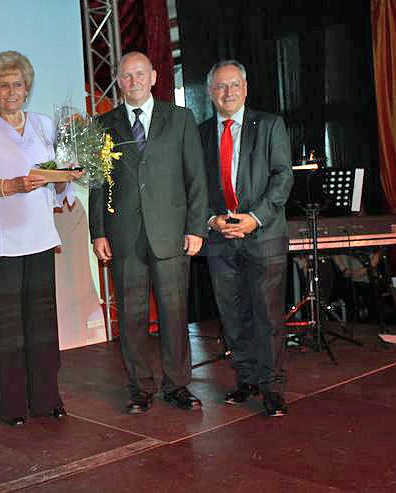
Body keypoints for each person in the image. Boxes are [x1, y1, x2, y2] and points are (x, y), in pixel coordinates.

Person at [0, 51, 83, 426]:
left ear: (28, 89)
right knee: (3, 329)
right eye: (4, 85)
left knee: (42, 325)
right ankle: (9, 405)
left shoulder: (44, 124)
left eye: (18, 85)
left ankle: (46, 399)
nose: (12, 92)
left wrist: (66, 177)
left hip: (39, 238)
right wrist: (10, 186)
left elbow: (56, 184)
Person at [88, 52, 208, 414]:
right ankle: (139, 387)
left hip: (171, 234)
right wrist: (98, 231)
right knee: (131, 316)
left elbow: (196, 177)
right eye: (126, 76)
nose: (134, 81)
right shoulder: (102, 125)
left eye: (140, 74)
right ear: (119, 82)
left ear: (154, 77)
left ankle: (178, 385)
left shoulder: (181, 118)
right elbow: (98, 183)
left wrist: (196, 228)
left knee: (174, 313)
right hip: (123, 236)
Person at [199, 60, 293, 416]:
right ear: (210, 92)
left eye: (234, 84)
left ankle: (272, 387)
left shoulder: (270, 125)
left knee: (267, 316)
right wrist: (212, 219)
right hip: (220, 238)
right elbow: (194, 186)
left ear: (246, 88)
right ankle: (247, 379)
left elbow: (282, 177)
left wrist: (254, 219)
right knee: (233, 316)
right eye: (221, 86)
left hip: (263, 235)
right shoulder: (200, 133)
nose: (228, 92)